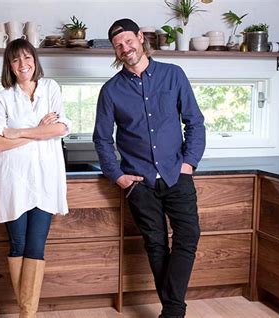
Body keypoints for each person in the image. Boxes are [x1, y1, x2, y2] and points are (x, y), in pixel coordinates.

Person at [93, 18, 206, 318]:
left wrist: (189, 163)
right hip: (139, 182)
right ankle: (174, 311)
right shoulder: (111, 91)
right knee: (156, 244)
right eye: (118, 46)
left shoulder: (174, 75)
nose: (125, 48)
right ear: (115, 51)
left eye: (128, 41)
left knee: (188, 236)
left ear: (141, 38)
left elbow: (194, 122)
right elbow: (102, 139)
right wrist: (118, 177)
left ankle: (172, 310)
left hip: (176, 174)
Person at [0, 38, 71, 318]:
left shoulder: (51, 88)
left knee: (36, 245)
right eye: (15, 60)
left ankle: (27, 314)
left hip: (46, 179)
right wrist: (36, 131)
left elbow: (59, 129)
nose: (23, 65)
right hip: (13, 181)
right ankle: (28, 313)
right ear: (9, 66)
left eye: (27, 58)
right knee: (18, 245)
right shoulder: (4, 97)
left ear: (35, 59)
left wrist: (17, 131)